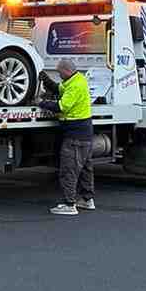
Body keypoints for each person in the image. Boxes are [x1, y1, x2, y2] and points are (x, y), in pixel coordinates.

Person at [40, 58, 95, 216]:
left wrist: (42, 103)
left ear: (66, 71)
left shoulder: (76, 85)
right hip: (84, 134)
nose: (59, 75)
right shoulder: (76, 79)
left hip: (75, 136)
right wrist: (48, 82)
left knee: (68, 170)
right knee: (85, 169)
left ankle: (69, 204)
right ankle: (87, 199)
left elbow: (61, 107)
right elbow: (60, 88)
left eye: (59, 72)